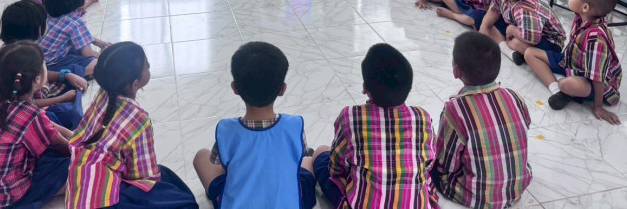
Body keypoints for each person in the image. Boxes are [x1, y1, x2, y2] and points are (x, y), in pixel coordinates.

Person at [67, 42, 198, 208]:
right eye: (147, 66)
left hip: (82, 190)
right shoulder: (138, 120)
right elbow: (143, 176)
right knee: (184, 201)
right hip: (108, 201)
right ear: (135, 83)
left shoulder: (103, 94)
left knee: (167, 177)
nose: (149, 66)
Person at [313, 43, 438, 208]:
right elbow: (429, 164)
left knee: (321, 153)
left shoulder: (350, 116)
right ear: (408, 87)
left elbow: (336, 169)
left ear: (365, 88)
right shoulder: (422, 117)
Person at [192, 41, 316, 209]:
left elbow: (218, 164)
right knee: (308, 162)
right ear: (282, 89)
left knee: (201, 156)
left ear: (235, 88)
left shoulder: (227, 130)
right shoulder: (294, 125)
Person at [0, 41, 72, 209]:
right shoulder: (30, 115)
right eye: (45, 64)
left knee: (50, 133)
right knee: (79, 167)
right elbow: (64, 148)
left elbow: (46, 126)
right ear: (38, 79)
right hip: (8, 196)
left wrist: (70, 134)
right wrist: (83, 145)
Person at [433, 32, 532, 208]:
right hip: (517, 190)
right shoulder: (514, 96)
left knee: (430, 157)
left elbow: (446, 164)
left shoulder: (455, 109)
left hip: (476, 196)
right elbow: (526, 127)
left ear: (456, 71)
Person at [524, 0, 622, 124]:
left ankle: (565, 89)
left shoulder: (596, 39)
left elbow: (598, 77)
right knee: (530, 53)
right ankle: (558, 91)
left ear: (585, 7)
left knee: (567, 84)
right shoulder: (581, 18)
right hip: (571, 63)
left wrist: (598, 106)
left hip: (593, 80)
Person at [0, 0, 88, 129]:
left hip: (33, 94)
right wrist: (61, 99)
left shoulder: (19, 49)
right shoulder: (19, 59)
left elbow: (37, 76)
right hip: (21, 112)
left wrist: (65, 76)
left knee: (74, 71)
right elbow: (24, 105)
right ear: (39, 30)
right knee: (71, 114)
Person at [479, 0, 566, 65]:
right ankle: (511, 52)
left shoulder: (526, 9)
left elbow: (533, 39)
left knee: (516, 43)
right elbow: (488, 19)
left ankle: (518, 50)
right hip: (523, 28)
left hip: (549, 41)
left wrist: (511, 30)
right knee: (489, 24)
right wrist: (479, 41)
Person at [38, 0, 111, 77]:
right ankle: (103, 59)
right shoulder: (75, 23)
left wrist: (99, 42)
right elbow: (88, 54)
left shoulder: (49, 14)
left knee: (76, 46)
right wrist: (103, 55)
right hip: (51, 66)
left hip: (36, 60)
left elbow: (80, 37)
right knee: (95, 64)